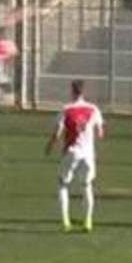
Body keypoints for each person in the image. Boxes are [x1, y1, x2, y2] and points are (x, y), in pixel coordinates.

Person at [45, 80, 104, 233]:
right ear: (83, 91)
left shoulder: (66, 109)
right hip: (88, 154)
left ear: (72, 91)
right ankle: (88, 221)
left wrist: (49, 146)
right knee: (86, 185)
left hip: (71, 151)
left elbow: (57, 133)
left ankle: (66, 221)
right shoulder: (93, 109)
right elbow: (100, 132)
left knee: (63, 183)